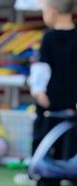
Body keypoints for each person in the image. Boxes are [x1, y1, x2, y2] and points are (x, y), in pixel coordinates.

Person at [28, 0, 77, 157]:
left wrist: (38, 90)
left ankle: (40, 171)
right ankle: (68, 168)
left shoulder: (49, 37)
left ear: (51, 11)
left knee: (44, 132)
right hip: (72, 96)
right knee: (71, 132)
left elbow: (41, 68)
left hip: (51, 96)